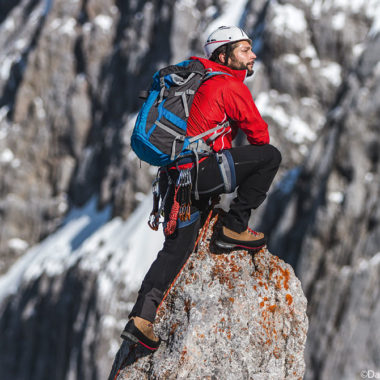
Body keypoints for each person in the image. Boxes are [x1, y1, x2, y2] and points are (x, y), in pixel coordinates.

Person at [121, 26, 282, 350]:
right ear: (224, 55)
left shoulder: (202, 81)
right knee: (269, 156)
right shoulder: (226, 84)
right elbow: (259, 136)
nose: (253, 56)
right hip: (200, 175)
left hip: (174, 181)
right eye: (244, 50)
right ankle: (235, 227)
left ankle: (141, 318)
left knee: (177, 249)